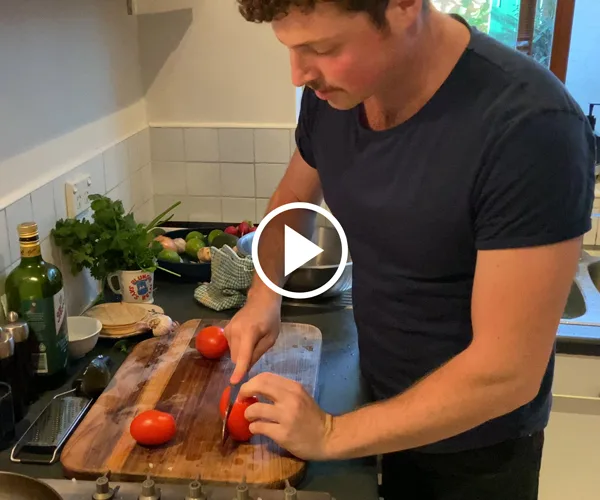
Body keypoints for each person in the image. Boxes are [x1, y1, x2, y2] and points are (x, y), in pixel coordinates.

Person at [223, 1, 596, 498]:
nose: (299, 75)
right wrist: (264, 296)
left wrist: (331, 434)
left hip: (473, 451)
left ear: (403, 6)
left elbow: (507, 372)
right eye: (291, 49)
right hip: (371, 394)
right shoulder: (334, 94)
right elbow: (295, 202)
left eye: (322, 48)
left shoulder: (531, 127)